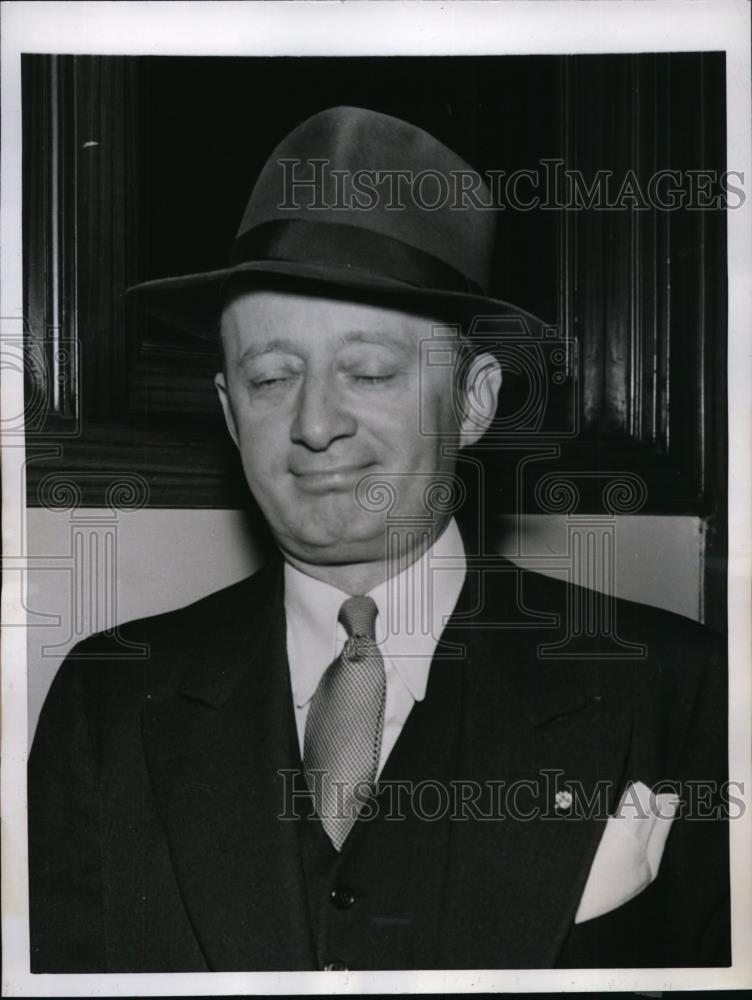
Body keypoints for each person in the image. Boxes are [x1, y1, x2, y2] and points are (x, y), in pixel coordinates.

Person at [28, 106, 730, 973]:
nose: (315, 424)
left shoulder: (677, 691)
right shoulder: (106, 702)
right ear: (226, 410)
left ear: (474, 401)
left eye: (368, 372)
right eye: (271, 377)